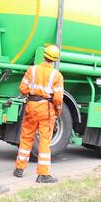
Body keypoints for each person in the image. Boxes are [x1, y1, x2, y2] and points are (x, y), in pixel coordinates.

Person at [14, 44, 64, 183]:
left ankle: (19, 168)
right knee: (44, 141)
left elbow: (22, 89)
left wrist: (32, 93)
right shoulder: (57, 75)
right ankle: (43, 175)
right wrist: (57, 111)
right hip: (46, 109)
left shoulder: (32, 70)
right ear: (55, 59)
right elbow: (58, 98)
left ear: (44, 55)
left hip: (31, 106)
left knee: (26, 137)